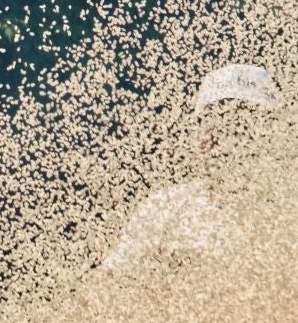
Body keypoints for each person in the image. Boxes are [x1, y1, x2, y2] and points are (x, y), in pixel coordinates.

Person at [102, 64, 277, 271]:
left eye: (240, 123)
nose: (223, 137)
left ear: (268, 133)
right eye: (212, 120)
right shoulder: (164, 208)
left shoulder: (294, 209)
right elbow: (110, 283)